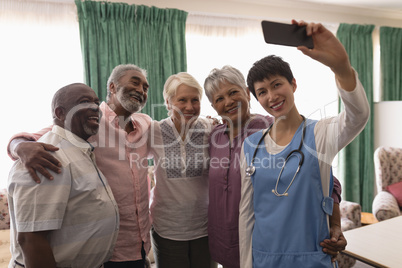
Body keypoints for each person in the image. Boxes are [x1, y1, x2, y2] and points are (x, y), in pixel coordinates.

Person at [239, 20, 370, 267]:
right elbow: (246, 215)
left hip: (311, 256)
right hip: (264, 258)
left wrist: (341, 67)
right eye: (262, 92)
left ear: (293, 84)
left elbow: (358, 116)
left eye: (277, 84)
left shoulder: (319, 134)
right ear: (257, 99)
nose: (272, 96)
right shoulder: (251, 146)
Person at [7, 64, 152, 268]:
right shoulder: (91, 120)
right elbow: (50, 134)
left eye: (146, 87)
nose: (141, 90)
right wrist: (20, 146)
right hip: (109, 253)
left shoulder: (146, 124)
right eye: (135, 82)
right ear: (112, 87)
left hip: (140, 245)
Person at [204, 65, 346, 268]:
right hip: (223, 241)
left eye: (233, 92)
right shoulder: (214, 136)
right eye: (219, 99)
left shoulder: (273, 130)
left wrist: (335, 225)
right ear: (213, 106)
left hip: (266, 243)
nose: (228, 102)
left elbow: (326, 180)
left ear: (247, 93)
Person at [148, 72, 217, 268]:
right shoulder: (154, 131)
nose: (189, 106)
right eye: (182, 100)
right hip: (168, 228)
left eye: (195, 100)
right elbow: (122, 143)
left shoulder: (211, 128)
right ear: (168, 103)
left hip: (205, 227)